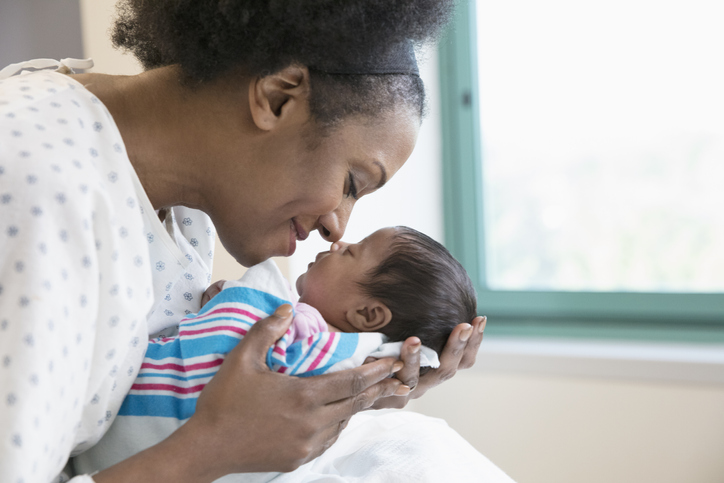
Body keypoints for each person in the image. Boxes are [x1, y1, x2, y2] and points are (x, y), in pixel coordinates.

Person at [0, 2, 493, 482]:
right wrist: (210, 450)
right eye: (350, 183)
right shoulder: (34, 188)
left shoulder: (186, 205)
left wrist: (352, 385)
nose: (338, 228)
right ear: (278, 97)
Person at [74, 226, 482, 479]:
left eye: (353, 252)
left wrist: (236, 303)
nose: (338, 240)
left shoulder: (314, 341)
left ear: (368, 314)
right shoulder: (325, 342)